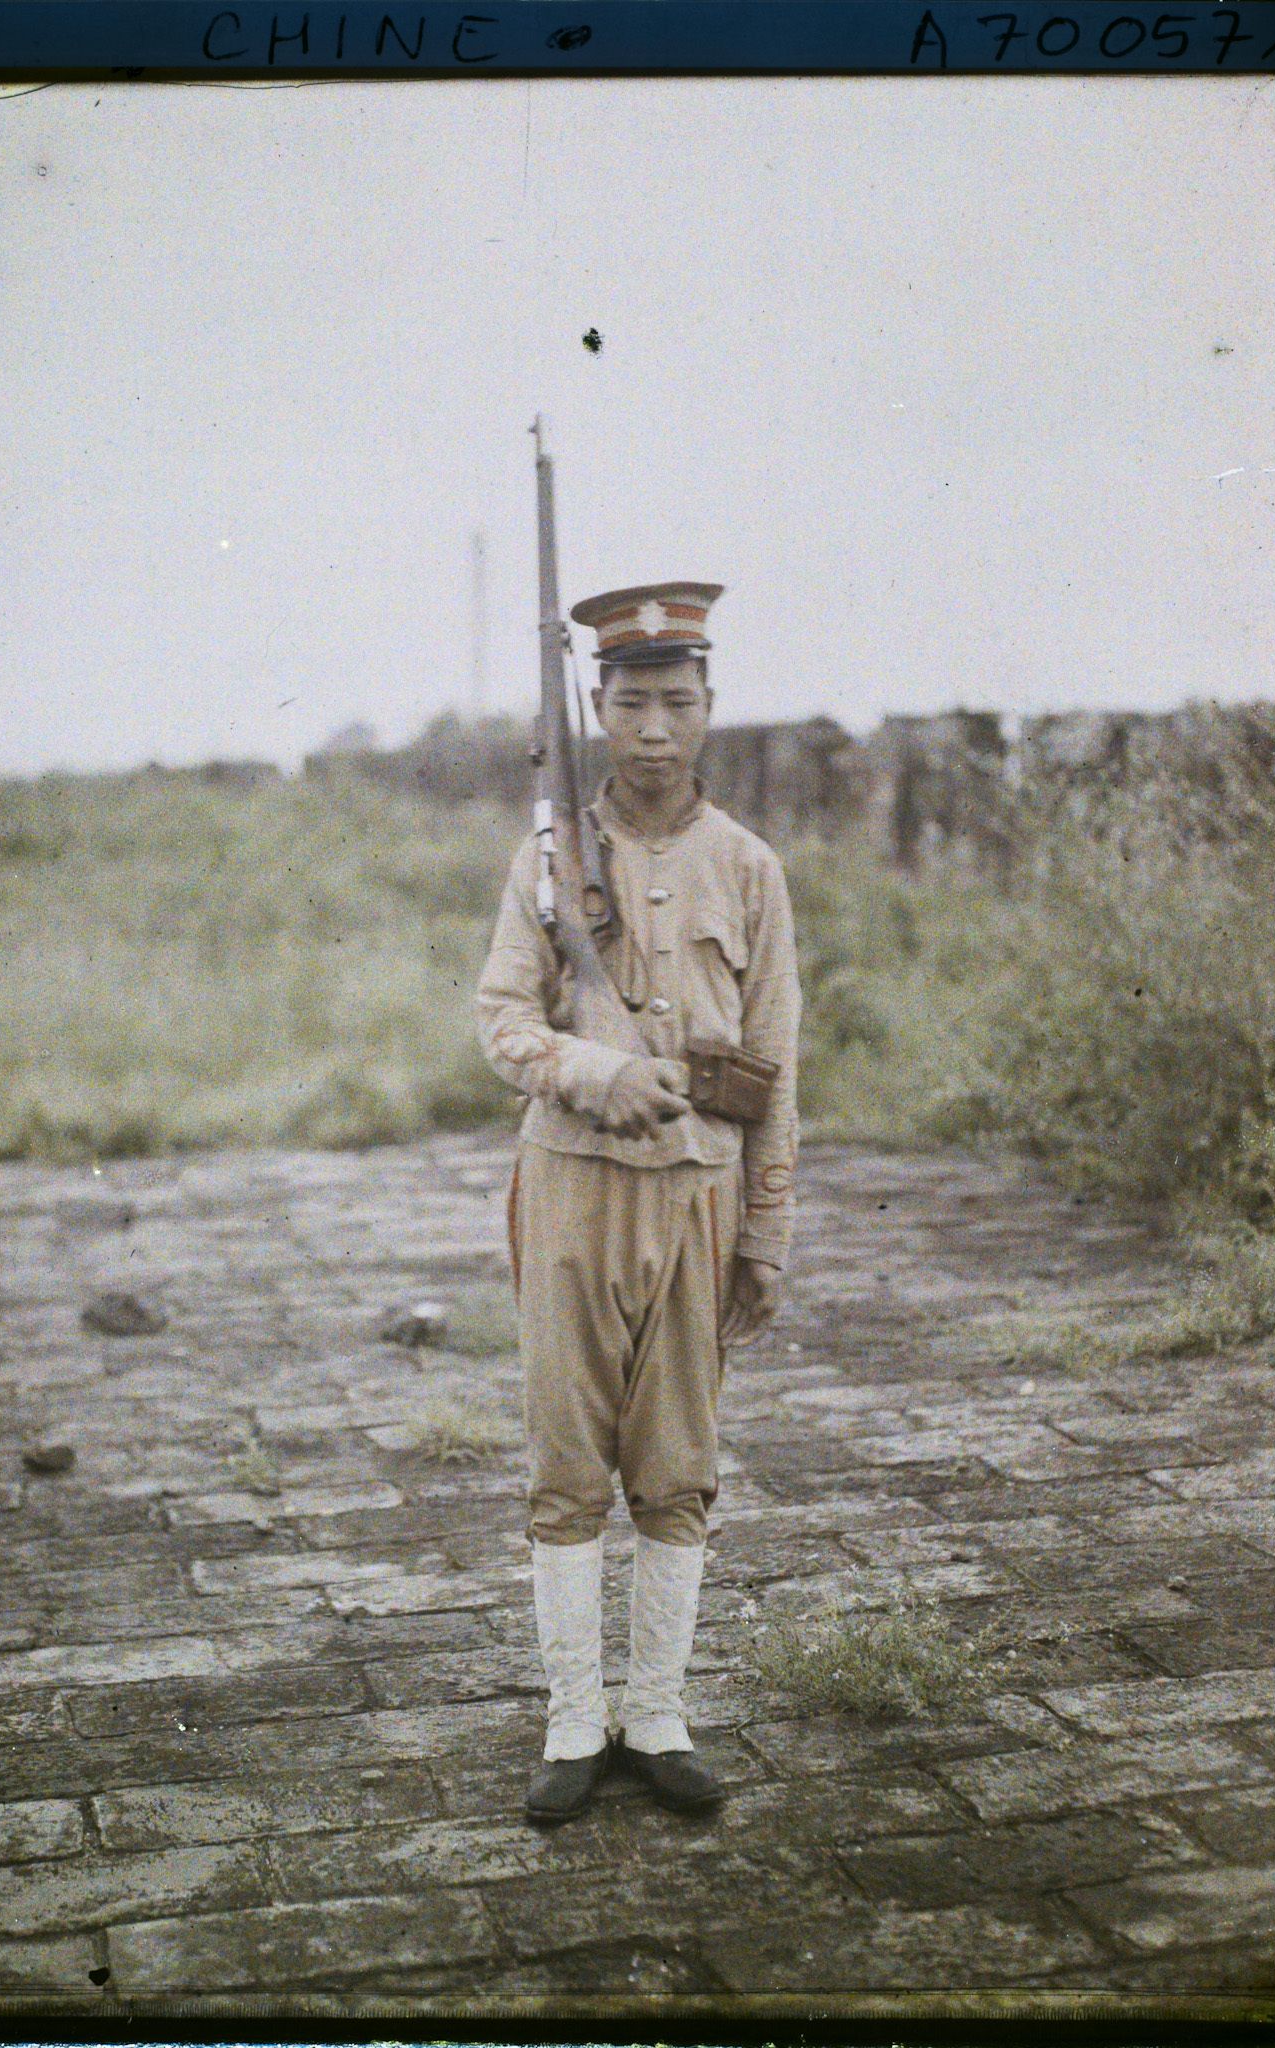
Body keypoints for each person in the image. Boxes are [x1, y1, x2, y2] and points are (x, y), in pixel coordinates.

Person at [475, 580, 802, 1825]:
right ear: (597, 710)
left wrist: (767, 1228)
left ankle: (655, 1714)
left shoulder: (750, 867)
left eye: (677, 700)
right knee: (567, 1464)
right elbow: (502, 1021)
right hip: (570, 1186)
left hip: (700, 1201)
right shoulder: (549, 860)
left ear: (710, 708)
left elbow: (777, 1061)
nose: (654, 726)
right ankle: (573, 1720)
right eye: (630, 701)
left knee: (679, 1466)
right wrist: (597, 1070)